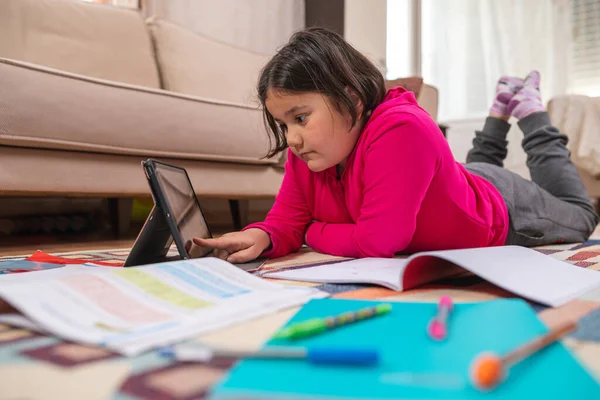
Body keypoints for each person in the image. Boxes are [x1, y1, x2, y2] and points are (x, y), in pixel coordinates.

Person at [194, 27, 598, 263]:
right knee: (464, 178)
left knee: (580, 217)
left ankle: (529, 112)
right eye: (284, 125)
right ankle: (498, 110)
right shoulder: (311, 150)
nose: (292, 138)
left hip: (505, 209)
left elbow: (379, 242)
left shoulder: (401, 129)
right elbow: (287, 218)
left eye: (300, 118)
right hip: (458, 185)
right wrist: (264, 235)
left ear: (352, 100)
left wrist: (311, 233)